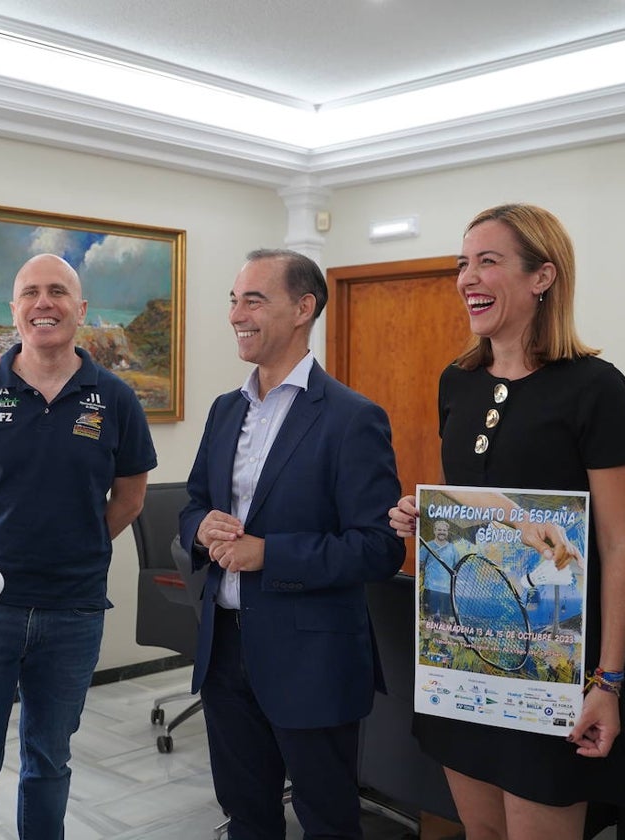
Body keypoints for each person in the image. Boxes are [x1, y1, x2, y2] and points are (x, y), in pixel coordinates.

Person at [389, 204, 625, 840]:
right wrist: (423, 518)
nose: (466, 277)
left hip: (548, 669)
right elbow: (473, 506)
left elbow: (618, 543)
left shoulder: (596, 387)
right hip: (466, 662)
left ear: (542, 277)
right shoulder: (458, 382)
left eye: (488, 261)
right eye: (462, 263)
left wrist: (607, 682)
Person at [178, 248, 405, 839]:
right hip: (225, 651)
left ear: (304, 308)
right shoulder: (225, 410)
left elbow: (380, 548)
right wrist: (201, 529)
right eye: (233, 299)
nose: (235, 314)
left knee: (328, 822)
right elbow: (192, 508)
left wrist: (268, 553)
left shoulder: (353, 418)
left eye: (253, 299)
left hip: (313, 660)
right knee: (246, 816)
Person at [0, 253, 157, 839]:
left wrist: (77, 544)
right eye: (30, 292)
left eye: (57, 291)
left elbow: (130, 498)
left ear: (80, 310)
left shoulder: (115, 399)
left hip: (73, 610)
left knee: (49, 763)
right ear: (14, 310)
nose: (43, 303)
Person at [420, 519, 458, 620]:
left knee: (445, 620)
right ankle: (427, 636)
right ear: (434, 531)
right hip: (430, 589)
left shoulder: (452, 548)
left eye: (444, 530)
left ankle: (443, 636)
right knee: (428, 619)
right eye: (439, 530)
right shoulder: (427, 546)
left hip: (447, 590)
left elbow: (457, 568)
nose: (442, 532)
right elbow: (420, 564)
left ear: (447, 532)